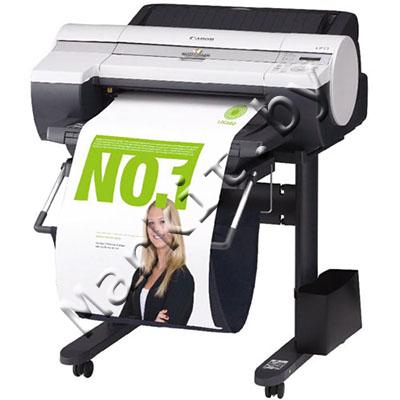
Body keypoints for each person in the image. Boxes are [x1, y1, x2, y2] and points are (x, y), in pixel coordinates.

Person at [120, 199, 194, 326]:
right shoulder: (140, 274)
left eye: (162, 222)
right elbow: (122, 320)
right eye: (151, 223)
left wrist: (145, 324)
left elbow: (168, 330)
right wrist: (152, 322)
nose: (156, 229)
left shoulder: (181, 278)